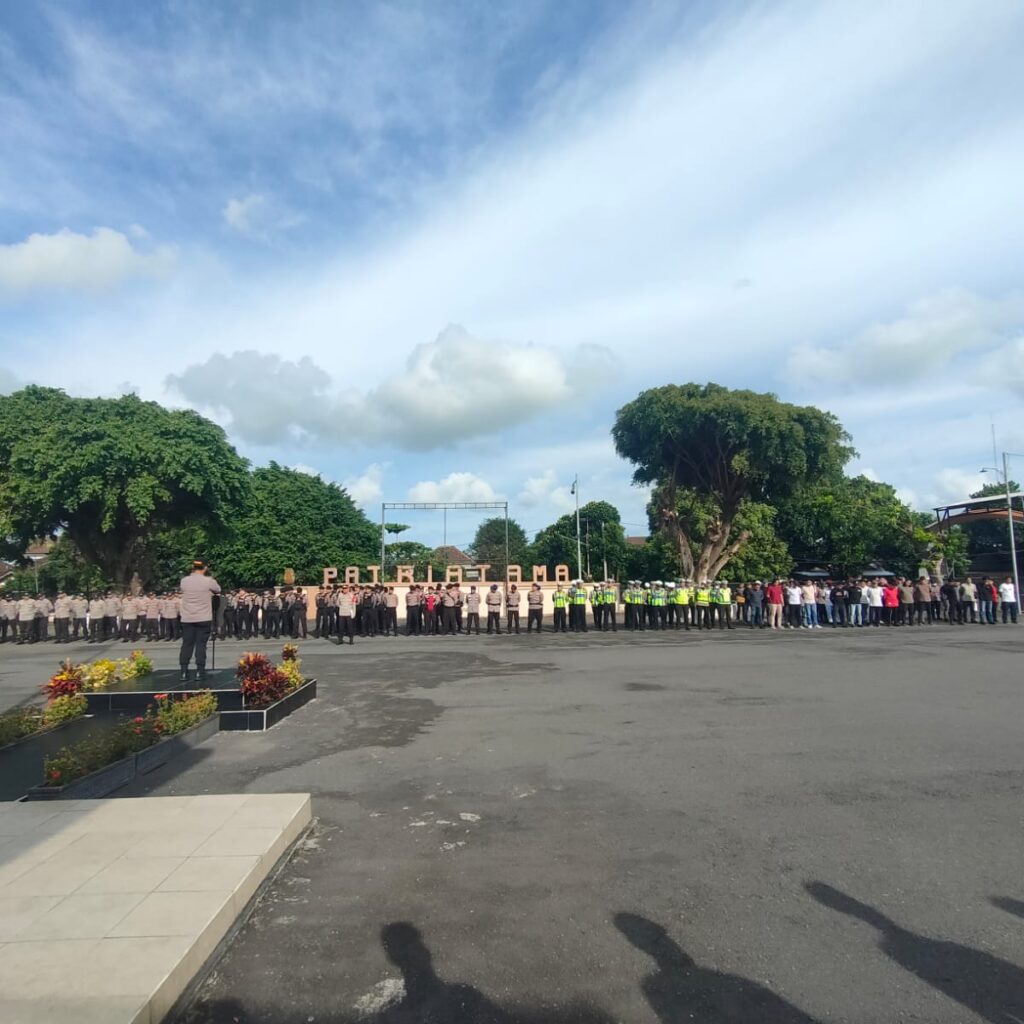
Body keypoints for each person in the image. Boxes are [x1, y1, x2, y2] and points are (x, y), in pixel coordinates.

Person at [178, 560, 221, 681]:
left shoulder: (184, 581)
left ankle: (184, 671)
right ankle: (199, 671)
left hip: (187, 618)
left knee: (187, 644)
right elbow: (218, 590)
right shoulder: (208, 581)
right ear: (205, 568)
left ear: (193, 567)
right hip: (203, 617)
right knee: (201, 645)